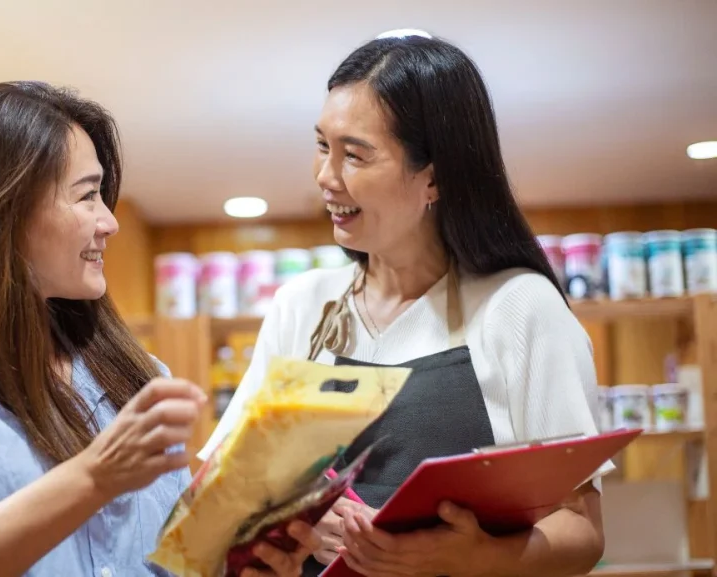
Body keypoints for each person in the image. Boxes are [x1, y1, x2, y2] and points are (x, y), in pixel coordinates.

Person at [0, 81, 319, 577]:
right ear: (3, 210)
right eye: (87, 196)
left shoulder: (135, 376)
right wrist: (93, 478)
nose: (109, 222)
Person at [198, 34, 611, 577]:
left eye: (355, 154)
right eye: (323, 146)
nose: (326, 176)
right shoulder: (303, 306)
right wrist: (294, 515)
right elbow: (215, 484)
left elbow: (581, 529)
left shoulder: (519, 308)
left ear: (434, 176)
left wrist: (479, 556)